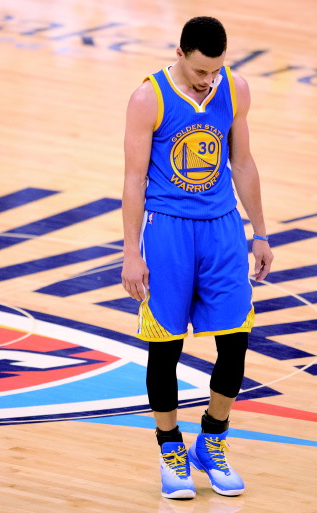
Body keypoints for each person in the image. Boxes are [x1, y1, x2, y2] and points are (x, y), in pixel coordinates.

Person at [121, 16, 274, 499]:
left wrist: (261, 233)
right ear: (180, 54)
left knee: (236, 339)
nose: (209, 79)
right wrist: (130, 252)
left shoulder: (235, 88)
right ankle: (171, 449)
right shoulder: (148, 97)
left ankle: (212, 440)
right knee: (165, 347)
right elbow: (133, 179)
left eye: (216, 70)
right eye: (201, 70)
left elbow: (242, 163)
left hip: (222, 227)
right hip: (167, 229)